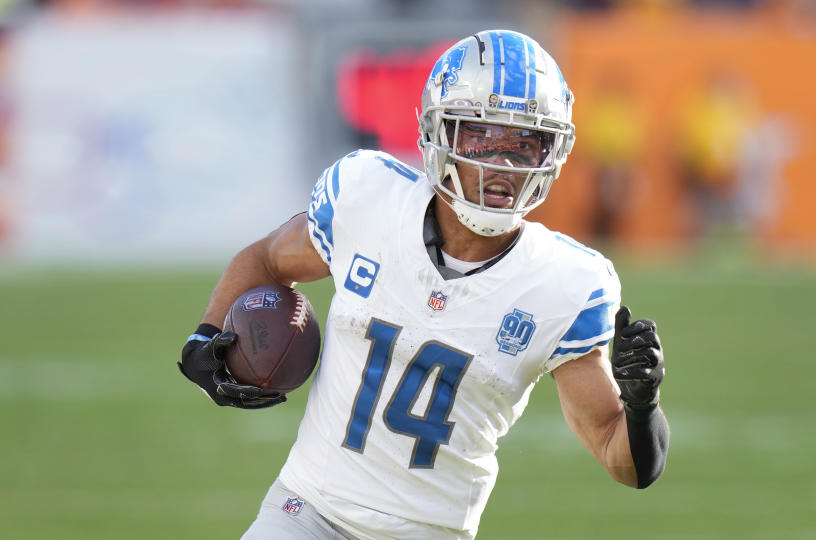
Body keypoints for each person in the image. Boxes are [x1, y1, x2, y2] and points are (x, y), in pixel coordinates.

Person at [179, 29, 669, 540]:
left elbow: (625, 460)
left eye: (524, 143)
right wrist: (206, 334)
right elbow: (266, 258)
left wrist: (641, 406)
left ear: (552, 151)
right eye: (482, 136)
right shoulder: (368, 197)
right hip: (305, 512)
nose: (501, 164)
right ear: (440, 132)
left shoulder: (565, 283)